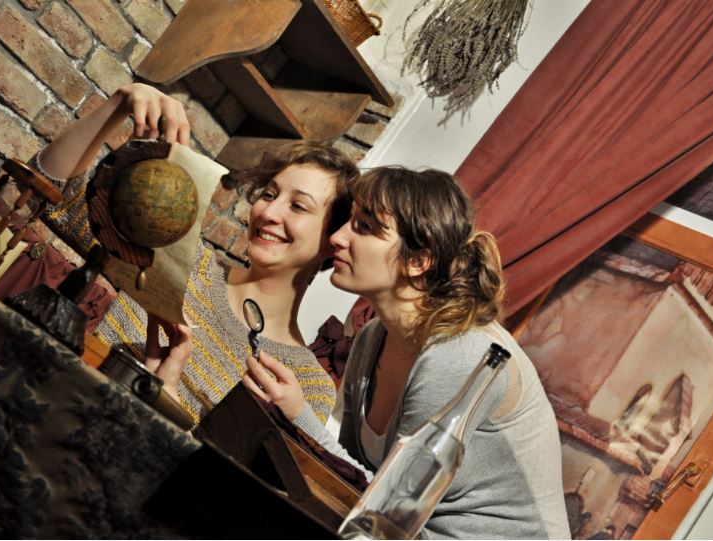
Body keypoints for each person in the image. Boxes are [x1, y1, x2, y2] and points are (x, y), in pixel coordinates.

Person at [243, 167, 571, 539]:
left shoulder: (458, 355)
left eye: (365, 227)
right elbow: (352, 479)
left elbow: (388, 510)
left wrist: (300, 416)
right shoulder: (371, 339)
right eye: (349, 222)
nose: (337, 237)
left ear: (418, 261)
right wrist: (294, 412)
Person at [32, 83, 358, 425]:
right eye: (269, 194)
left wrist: (167, 400)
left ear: (333, 239)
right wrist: (119, 104)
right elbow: (51, 194)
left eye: (298, 206)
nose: (269, 213)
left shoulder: (307, 386)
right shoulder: (182, 260)